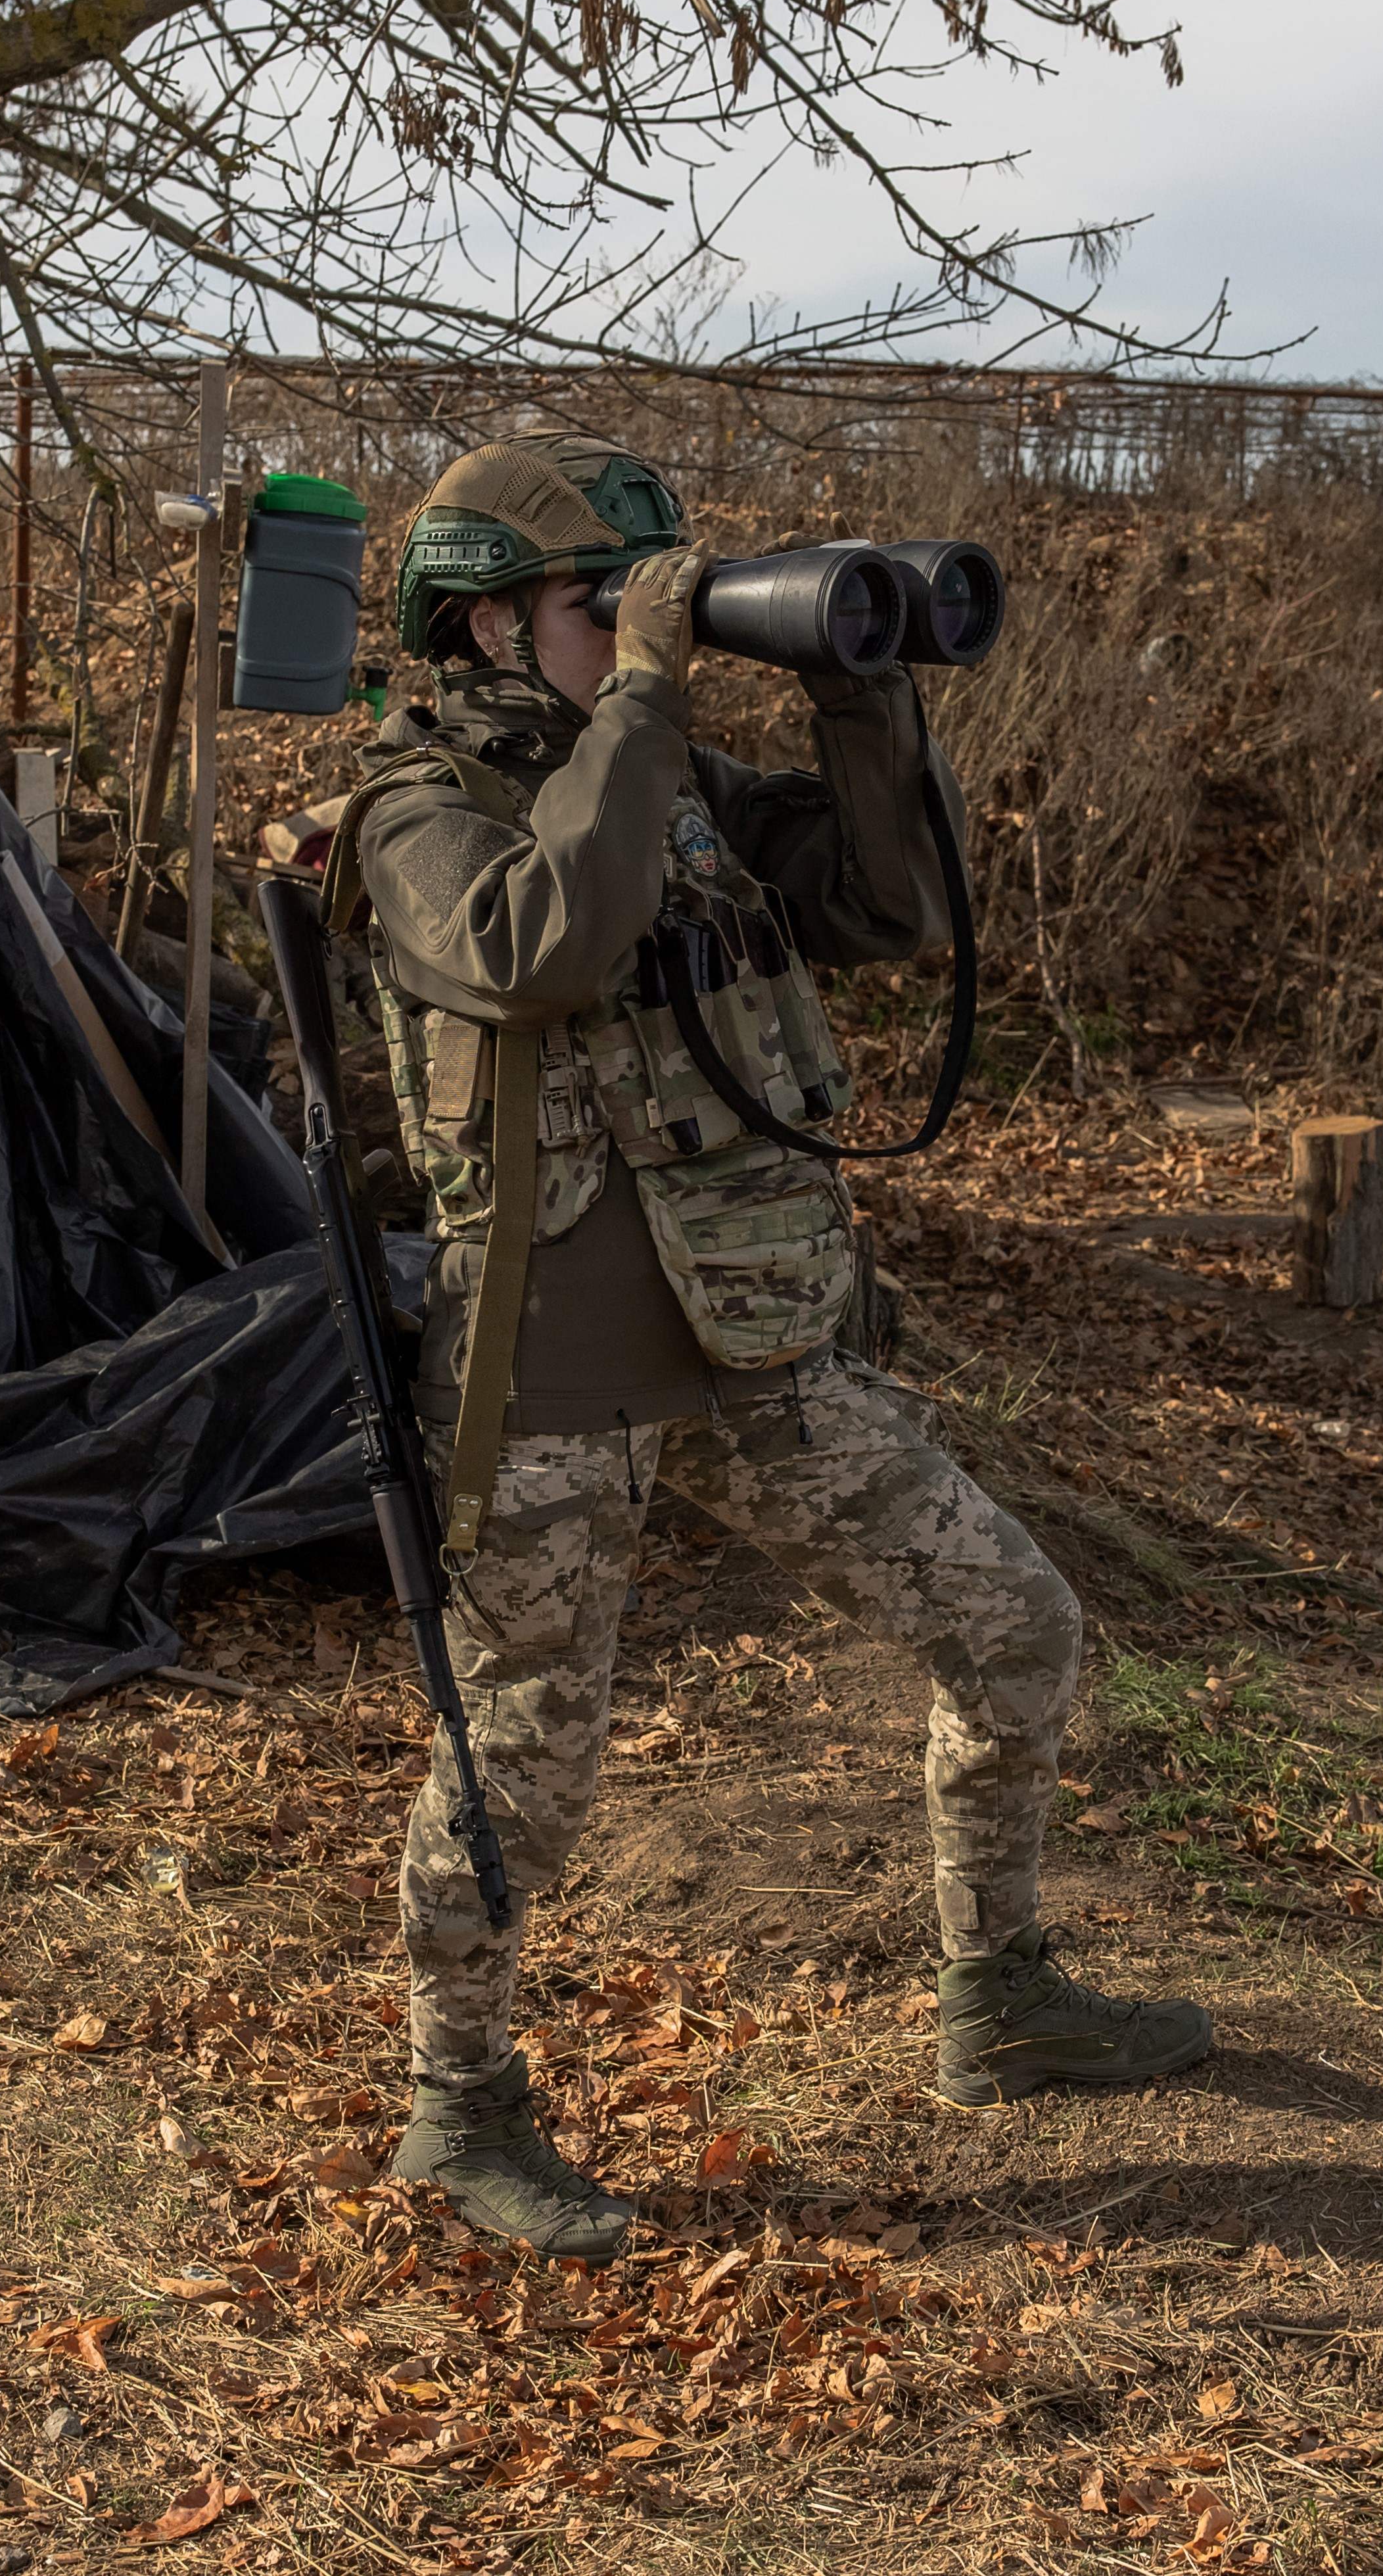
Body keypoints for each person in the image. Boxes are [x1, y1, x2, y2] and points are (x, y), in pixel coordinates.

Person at [330, 433, 1213, 2263]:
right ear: (486, 621)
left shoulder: (677, 784)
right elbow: (546, 943)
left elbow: (892, 909)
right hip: (548, 1375)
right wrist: (647, 699)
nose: (640, 625)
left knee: (1017, 1626)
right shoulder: (420, 818)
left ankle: (1005, 1995)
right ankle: (458, 2107)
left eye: (649, 597)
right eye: (601, 602)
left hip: (766, 1344)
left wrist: (861, 702)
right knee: (524, 1774)